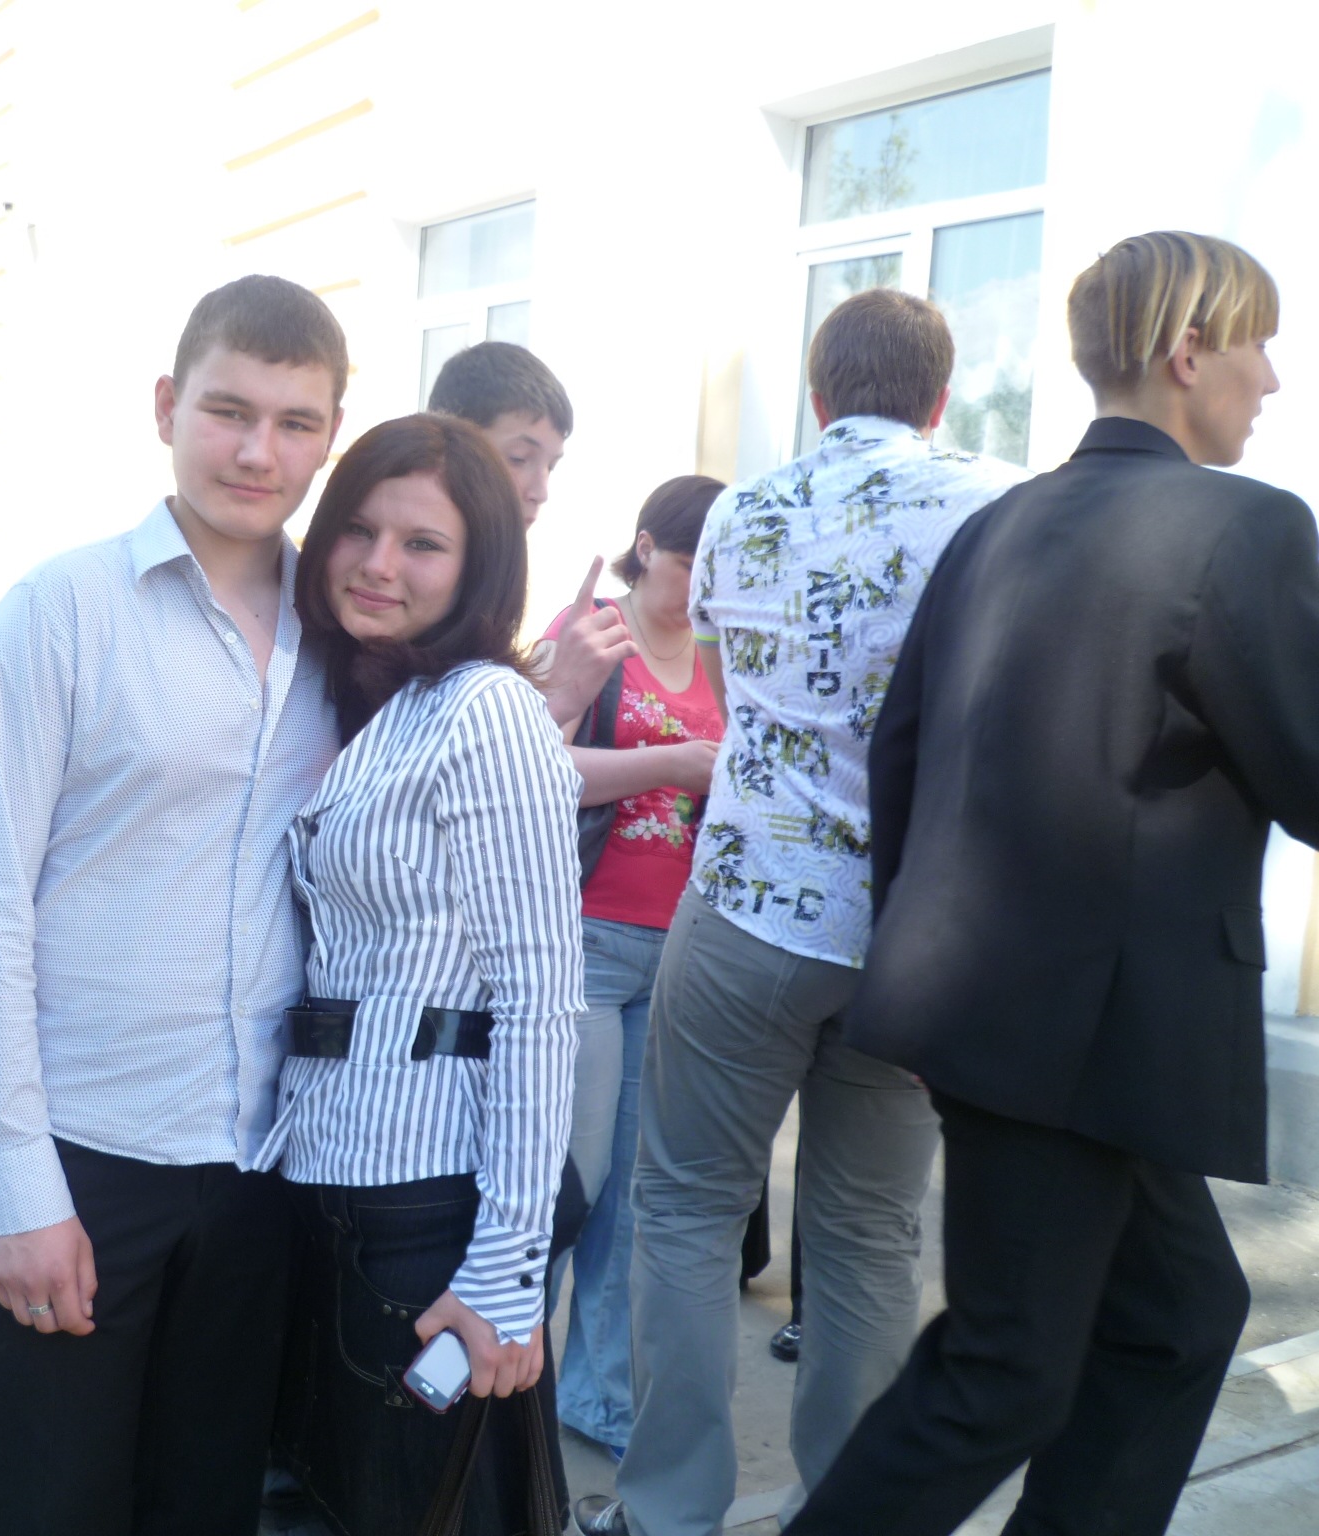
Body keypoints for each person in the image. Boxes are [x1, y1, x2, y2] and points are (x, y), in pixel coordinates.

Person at [788, 233, 1319, 1535]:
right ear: (1186, 352)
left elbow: (901, 759)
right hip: (1091, 1035)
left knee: (1178, 1317)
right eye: (1256, 343)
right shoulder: (1247, 526)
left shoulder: (1001, 524)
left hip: (1002, 1018)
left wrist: (923, 974)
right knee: (1002, 1373)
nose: (1270, 378)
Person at [579, 290, 1030, 1536]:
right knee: (869, 1233)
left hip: (746, 909)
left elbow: (735, 699)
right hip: (910, 934)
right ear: (939, 399)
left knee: (682, 1207)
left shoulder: (740, 511)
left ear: (819, 397)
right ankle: (847, 1514)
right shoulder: (1000, 502)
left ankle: (664, 1511)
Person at [0, 275, 346, 1535]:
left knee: (204, 1509)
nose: (257, 451)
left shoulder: (343, 636)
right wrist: (19, 1186)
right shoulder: (62, 611)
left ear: (328, 436)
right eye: (228, 411)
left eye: (294, 422)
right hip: (84, 1159)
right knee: (47, 1509)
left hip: (261, 1167)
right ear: (167, 407)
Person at [264, 413, 585, 1534]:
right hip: (329, 1177)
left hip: (427, 1198)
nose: (377, 565)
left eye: (422, 544)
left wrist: (507, 1267)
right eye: (357, 530)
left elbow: (539, 1001)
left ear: (477, 565)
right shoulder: (377, 702)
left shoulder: (485, 712)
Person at [540, 475, 727, 1459]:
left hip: (679, 947)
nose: (705, 586)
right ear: (646, 546)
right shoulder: (591, 633)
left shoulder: (721, 655)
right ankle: (504, 1374)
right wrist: (669, 764)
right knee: (568, 1179)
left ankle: (598, 1397)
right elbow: (534, 765)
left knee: (632, 1200)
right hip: (583, 941)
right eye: (693, 562)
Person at [428, 339, 635, 732]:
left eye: (550, 466)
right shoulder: (408, 571)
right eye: (519, 459)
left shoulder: (492, 570)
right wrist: (556, 696)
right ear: (450, 440)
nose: (540, 491)